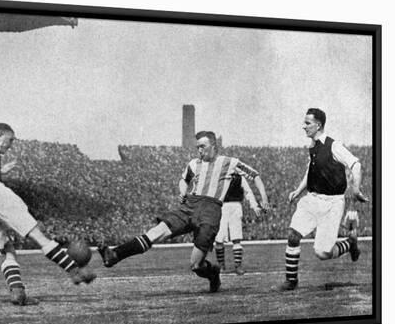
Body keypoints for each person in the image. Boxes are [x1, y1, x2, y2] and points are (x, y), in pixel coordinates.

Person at [98, 131, 269, 293]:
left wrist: (263, 199)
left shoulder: (229, 162)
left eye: (203, 146)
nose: (199, 150)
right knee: (157, 232)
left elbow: (255, 175)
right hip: (190, 206)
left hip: (211, 211)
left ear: (214, 145)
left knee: (196, 265)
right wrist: (182, 191)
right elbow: (183, 179)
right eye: (197, 147)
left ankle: (213, 273)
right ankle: (114, 254)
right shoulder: (193, 163)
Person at [0, 123, 96, 306]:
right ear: (0, 135)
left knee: (7, 249)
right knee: (38, 236)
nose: (10, 145)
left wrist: (0, 171)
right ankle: (75, 271)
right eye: (10, 140)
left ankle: (18, 292)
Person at [277, 108, 368, 291]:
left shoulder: (334, 145)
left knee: (323, 252)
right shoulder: (313, 146)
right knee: (293, 235)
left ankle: (349, 243)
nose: (304, 127)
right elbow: (310, 171)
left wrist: (356, 189)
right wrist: (297, 191)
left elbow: (355, 164)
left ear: (318, 125)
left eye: (307, 123)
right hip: (312, 199)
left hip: (332, 203)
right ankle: (291, 281)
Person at [214, 173, 262, 275]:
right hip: (220, 207)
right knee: (219, 238)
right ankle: (221, 265)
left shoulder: (239, 177)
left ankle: (238, 266)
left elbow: (248, 191)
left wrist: (254, 205)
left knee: (236, 238)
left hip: (235, 206)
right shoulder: (217, 175)